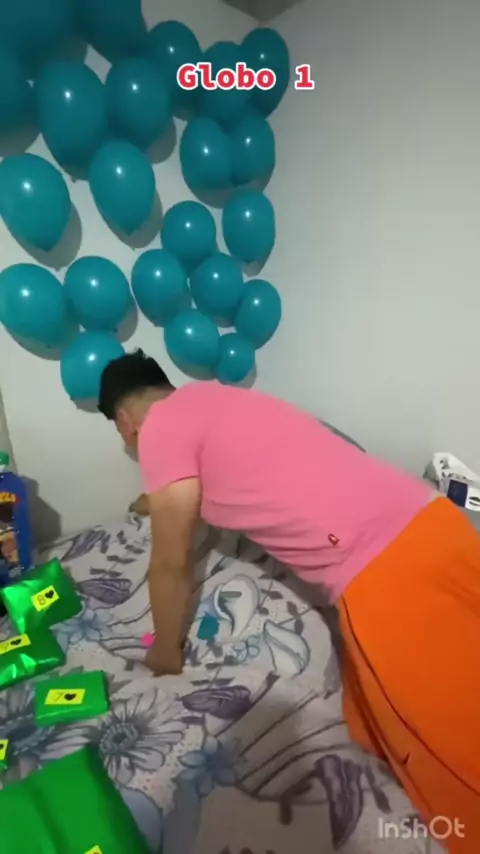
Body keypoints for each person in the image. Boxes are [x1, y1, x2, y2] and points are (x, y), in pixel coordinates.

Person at [98, 348, 479, 853]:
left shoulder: (159, 430)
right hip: (434, 522)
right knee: (372, 715)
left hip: (385, 570)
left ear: (125, 421)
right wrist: (153, 499)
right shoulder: (218, 401)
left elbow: (170, 562)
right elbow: (229, 477)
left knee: (444, 749)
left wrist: (165, 653)